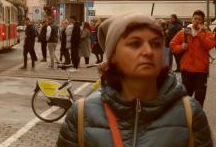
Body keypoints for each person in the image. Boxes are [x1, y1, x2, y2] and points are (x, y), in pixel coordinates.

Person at [57, 12, 213, 147]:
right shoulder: (82, 114)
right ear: (113, 56)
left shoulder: (189, 114)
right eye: (135, 44)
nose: (148, 51)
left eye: (156, 44)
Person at [170, 10, 216, 107]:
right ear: (192, 19)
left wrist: (200, 33)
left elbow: (210, 45)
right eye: (195, 18)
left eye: (199, 19)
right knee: (186, 97)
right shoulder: (183, 32)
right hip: (187, 69)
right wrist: (181, 47)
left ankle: (197, 118)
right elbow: (172, 45)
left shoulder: (206, 33)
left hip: (201, 70)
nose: (197, 21)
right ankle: (187, 117)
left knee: (200, 97)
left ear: (202, 22)